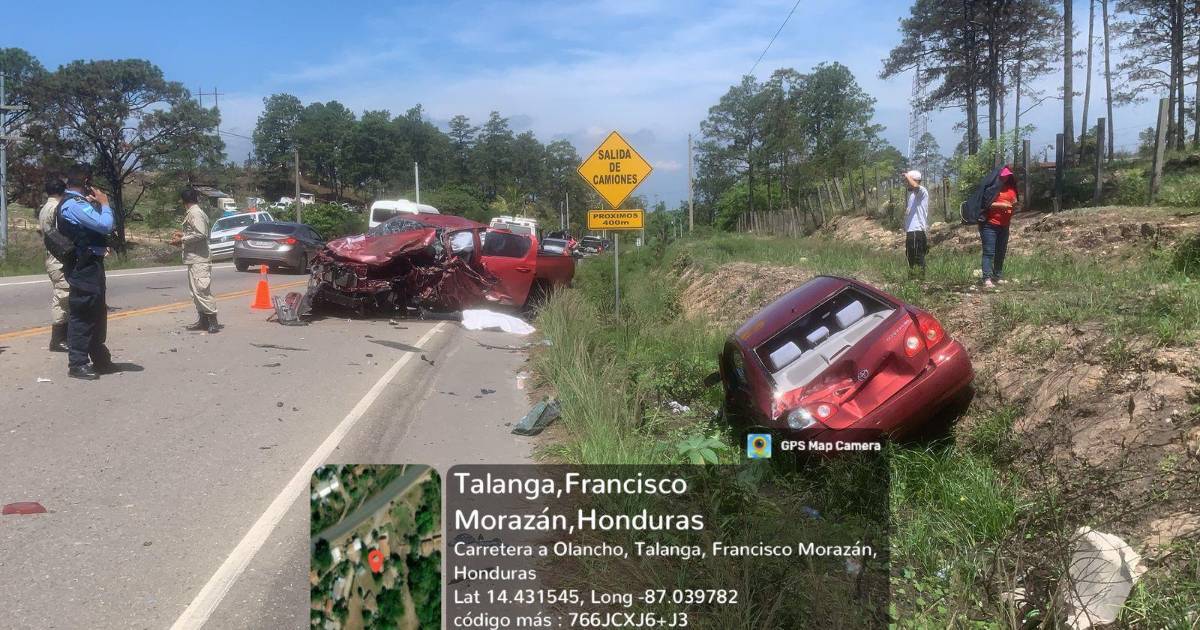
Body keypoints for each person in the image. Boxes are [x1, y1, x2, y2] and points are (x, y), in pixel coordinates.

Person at [58, 164, 118, 380]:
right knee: (83, 313)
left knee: (96, 311)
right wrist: (105, 204)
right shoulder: (73, 204)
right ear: (85, 182)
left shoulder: (80, 203)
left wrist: (96, 205)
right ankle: (77, 363)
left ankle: (100, 358)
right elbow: (105, 225)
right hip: (83, 265)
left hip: (91, 264)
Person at [171, 188, 220, 333]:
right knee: (195, 292)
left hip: (200, 259)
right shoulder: (193, 212)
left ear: (183, 201)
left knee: (202, 291)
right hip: (193, 258)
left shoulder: (195, 213)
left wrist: (182, 240)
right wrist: (183, 235)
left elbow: (201, 234)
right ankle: (203, 321)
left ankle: (212, 321)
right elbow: (195, 232)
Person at [35, 177, 70, 352]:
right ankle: (58, 340)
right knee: (63, 297)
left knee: (62, 296)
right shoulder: (57, 208)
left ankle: (63, 337)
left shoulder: (44, 208)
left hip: (51, 256)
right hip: (59, 258)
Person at [980, 166, 1019, 289]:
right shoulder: (992, 189)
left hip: (1004, 225)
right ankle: (987, 278)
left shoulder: (1011, 189)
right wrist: (1001, 205)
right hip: (989, 225)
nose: (1005, 178)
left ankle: (997, 275)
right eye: (1003, 176)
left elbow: (1014, 202)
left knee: (1001, 251)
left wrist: (1014, 205)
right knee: (989, 252)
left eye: (1007, 176)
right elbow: (985, 204)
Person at [902, 169, 929, 279]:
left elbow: (915, 186)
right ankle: (913, 279)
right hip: (911, 231)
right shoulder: (912, 196)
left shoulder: (921, 191)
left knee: (917, 257)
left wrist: (907, 175)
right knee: (910, 257)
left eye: (908, 181)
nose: (906, 183)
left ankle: (920, 280)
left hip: (916, 231)